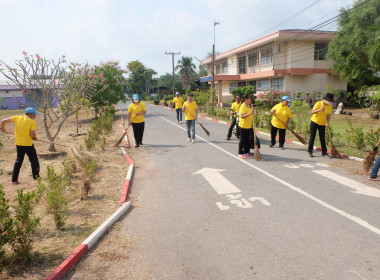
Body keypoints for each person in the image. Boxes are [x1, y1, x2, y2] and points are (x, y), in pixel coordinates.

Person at [0, 107, 40, 184]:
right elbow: (32, 134)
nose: (35, 117)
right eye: (35, 115)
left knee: (18, 161)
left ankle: (14, 180)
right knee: (34, 160)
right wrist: (34, 137)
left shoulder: (17, 118)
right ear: (31, 114)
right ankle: (36, 177)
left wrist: (2, 129)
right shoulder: (32, 122)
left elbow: (3, 121)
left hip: (18, 143)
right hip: (28, 144)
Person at [307, 92, 334, 157]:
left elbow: (328, 116)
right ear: (325, 99)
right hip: (314, 122)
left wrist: (327, 123)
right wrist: (320, 110)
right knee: (312, 137)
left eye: (330, 101)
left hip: (322, 124)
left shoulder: (330, 106)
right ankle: (310, 151)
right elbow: (312, 112)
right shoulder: (318, 103)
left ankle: (324, 152)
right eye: (329, 100)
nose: (329, 102)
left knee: (322, 138)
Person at [238, 93, 254, 159]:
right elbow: (242, 116)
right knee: (242, 140)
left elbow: (249, 115)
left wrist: (251, 113)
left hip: (248, 126)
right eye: (249, 98)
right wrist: (250, 113)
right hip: (243, 126)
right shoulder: (243, 106)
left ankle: (246, 152)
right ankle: (240, 153)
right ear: (245, 99)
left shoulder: (248, 106)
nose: (250, 100)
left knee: (247, 140)